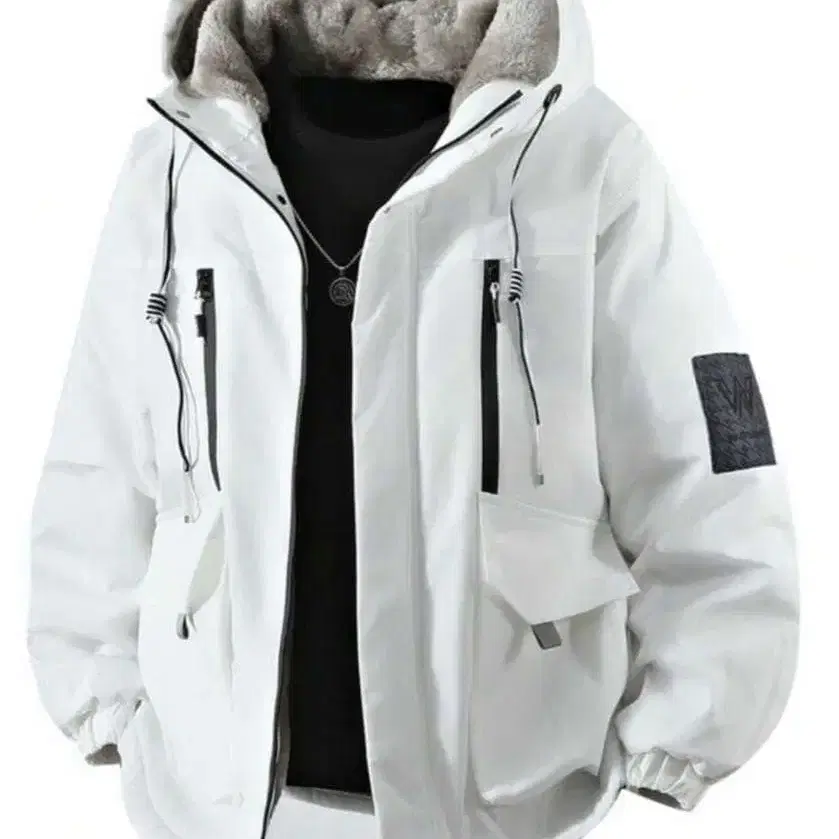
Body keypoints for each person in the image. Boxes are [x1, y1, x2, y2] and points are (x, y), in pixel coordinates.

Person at [26, 3, 799, 839]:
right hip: (212, 778)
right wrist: (96, 683)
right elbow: (102, 439)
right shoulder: (178, 164)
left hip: (504, 785)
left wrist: (692, 711)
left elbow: (701, 441)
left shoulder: (580, 153)